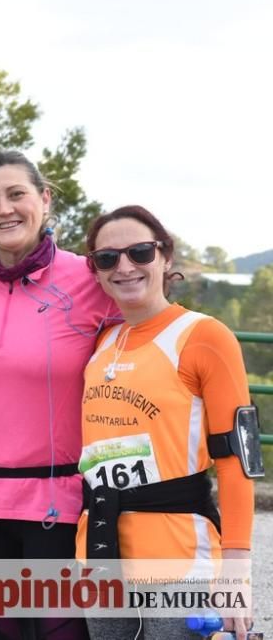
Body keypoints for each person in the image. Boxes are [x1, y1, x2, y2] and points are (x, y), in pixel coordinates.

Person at [0, 150, 116, 639]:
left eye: (16, 194)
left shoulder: (92, 278)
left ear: (44, 199)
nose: (4, 209)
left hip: (60, 506)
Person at [78, 205, 256, 639]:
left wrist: (237, 571)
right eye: (107, 258)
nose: (124, 267)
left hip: (178, 556)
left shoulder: (204, 337)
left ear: (165, 257)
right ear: (96, 271)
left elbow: (237, 459)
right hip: (99, 550)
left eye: (140, 252)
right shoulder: (104, 340)